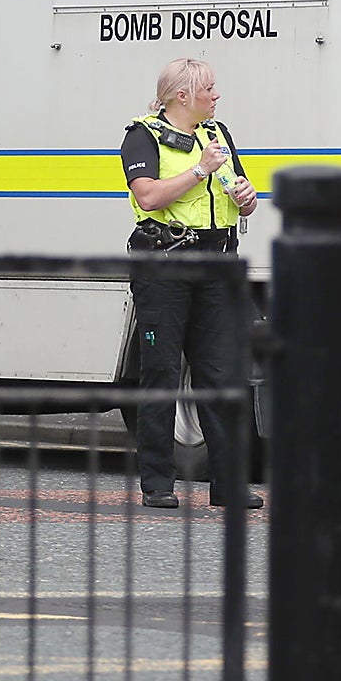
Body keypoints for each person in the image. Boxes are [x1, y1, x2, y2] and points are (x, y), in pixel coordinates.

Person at [121, 57, 262, 511]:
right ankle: (158, 484)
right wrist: (199, 170)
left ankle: (228, 484)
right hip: (165, 266)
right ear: (183, 95)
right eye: (210, 89)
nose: (217, 95)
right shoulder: (143, 135)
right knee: (161, 372)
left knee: (222, 374)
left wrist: (247, 198)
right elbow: (148, 196)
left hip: (217, 266)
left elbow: (242, 200)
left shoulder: (219, 136)